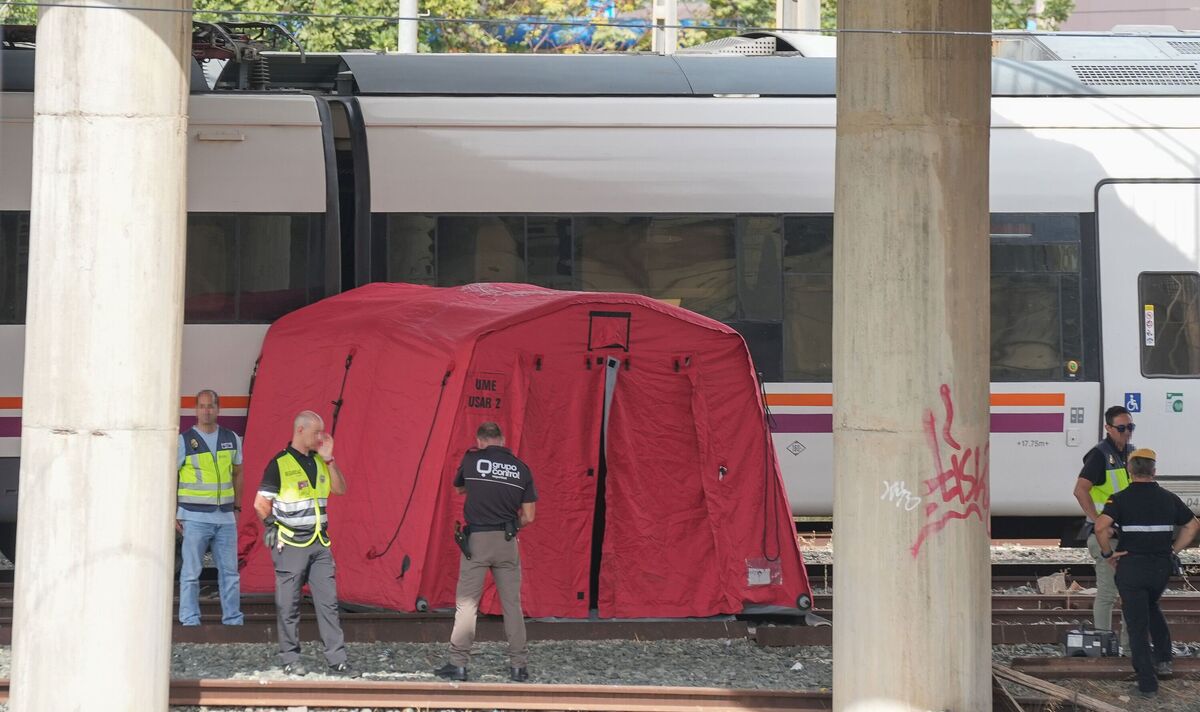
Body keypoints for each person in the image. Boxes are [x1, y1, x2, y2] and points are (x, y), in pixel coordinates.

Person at [253, 410, 358, 677]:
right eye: (316, 432)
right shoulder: (279, 463)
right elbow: (261, 503)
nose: (320, 437)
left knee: (328, 603)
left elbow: (341, 489)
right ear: (300, 430)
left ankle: (337, 661)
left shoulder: (321, 461)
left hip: (319, 542)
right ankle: (290, 658)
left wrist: (330, 459)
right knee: (288, 604)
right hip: (290, 543)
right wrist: (271, 525)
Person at [434, 422, 537, 683]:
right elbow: (529, 516)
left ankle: (458, 664)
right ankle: (519, 667)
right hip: (507, 541)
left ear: (479, 441)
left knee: (467, 604)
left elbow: (458, 488)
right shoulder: (521, 468)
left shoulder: (472, 460)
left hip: (477, 541)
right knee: (512, 605)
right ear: (502, 439)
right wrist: (512, 525)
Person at [1095, 448, 1200, 699]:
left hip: (1132, 567)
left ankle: (1147, 684)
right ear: (1154, 471)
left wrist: (1108, 554)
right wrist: (1173, 550)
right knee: (1152, 606)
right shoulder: (1169, 498)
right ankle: (1164, 660)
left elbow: (1100, 527)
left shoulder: (1119, 499)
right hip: (1160, 568)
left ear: (1130, 471)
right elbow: (1192, 525)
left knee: (1137, 625)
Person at [176, 389, 244, 626]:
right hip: (194, 517)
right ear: (195, 410)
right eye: (202, 406)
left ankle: (233, 620)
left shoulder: (231, 438)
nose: (206, 411)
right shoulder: (184, 440)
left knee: (230, 573)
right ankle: (189, 620)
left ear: (218, 409)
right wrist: (173, 512)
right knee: (191, 573)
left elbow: (238, 473)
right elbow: (170, 476)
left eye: (211, 406)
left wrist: (237, 507)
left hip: (225, 517)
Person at [1072, 404, 1134, 652]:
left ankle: (1128, 649)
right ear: (1108, 428)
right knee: (1108, 593)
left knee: (1129, 594)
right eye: (1122, 428)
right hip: (1106, 536)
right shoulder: (1099, 455)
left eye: (1130, 427)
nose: (1127, 432)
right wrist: (1098, 520)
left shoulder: (1129, 452)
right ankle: (1104, 647)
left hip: (1123, 534)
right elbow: (1080, 490)